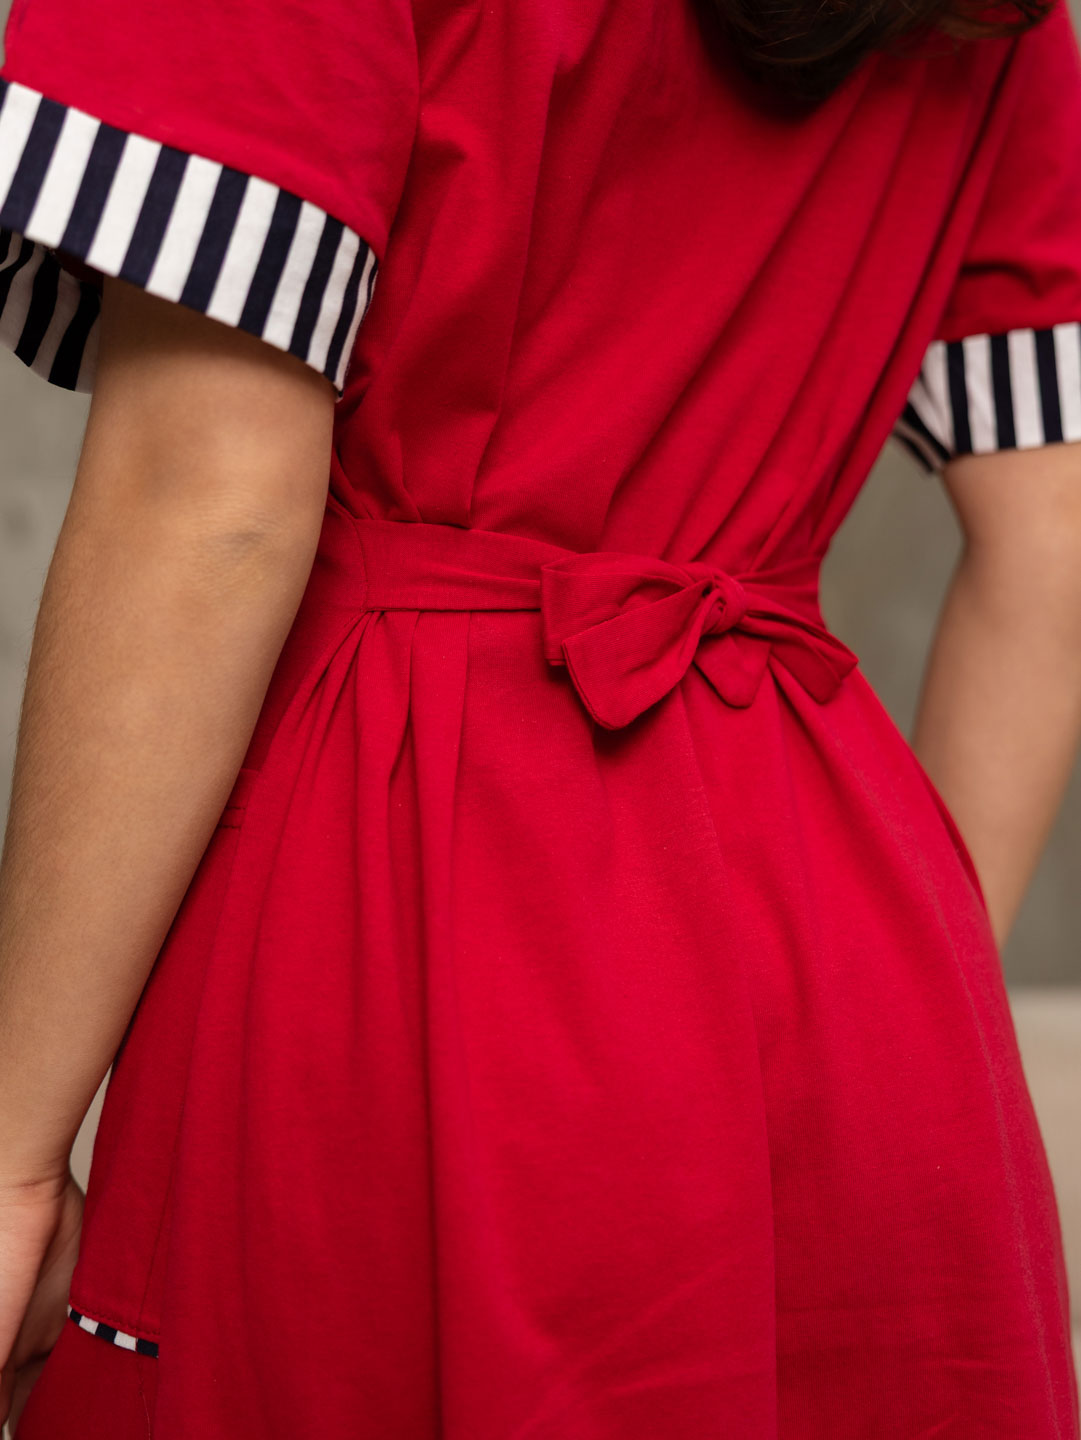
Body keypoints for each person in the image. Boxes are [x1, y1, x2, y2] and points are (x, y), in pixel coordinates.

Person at [0, 0, 1080, 1431]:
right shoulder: (1000, 19)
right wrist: (891, 1006)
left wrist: (12, 1148)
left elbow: (208, 495)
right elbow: (1055, 535)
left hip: (398, 906)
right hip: (839, 954)